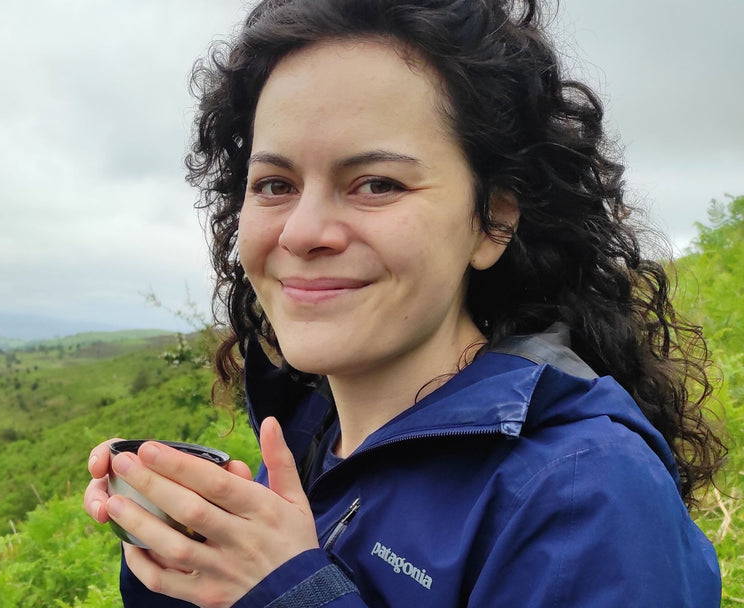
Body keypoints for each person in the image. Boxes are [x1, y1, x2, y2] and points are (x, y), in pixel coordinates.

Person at [83, 0, 725, 606]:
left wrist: (287, 591)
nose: (302, 233)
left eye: (376, 184)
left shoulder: (586, 495)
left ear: (493, 221)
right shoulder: (310, 441)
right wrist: (188, 561)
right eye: (276, 183)